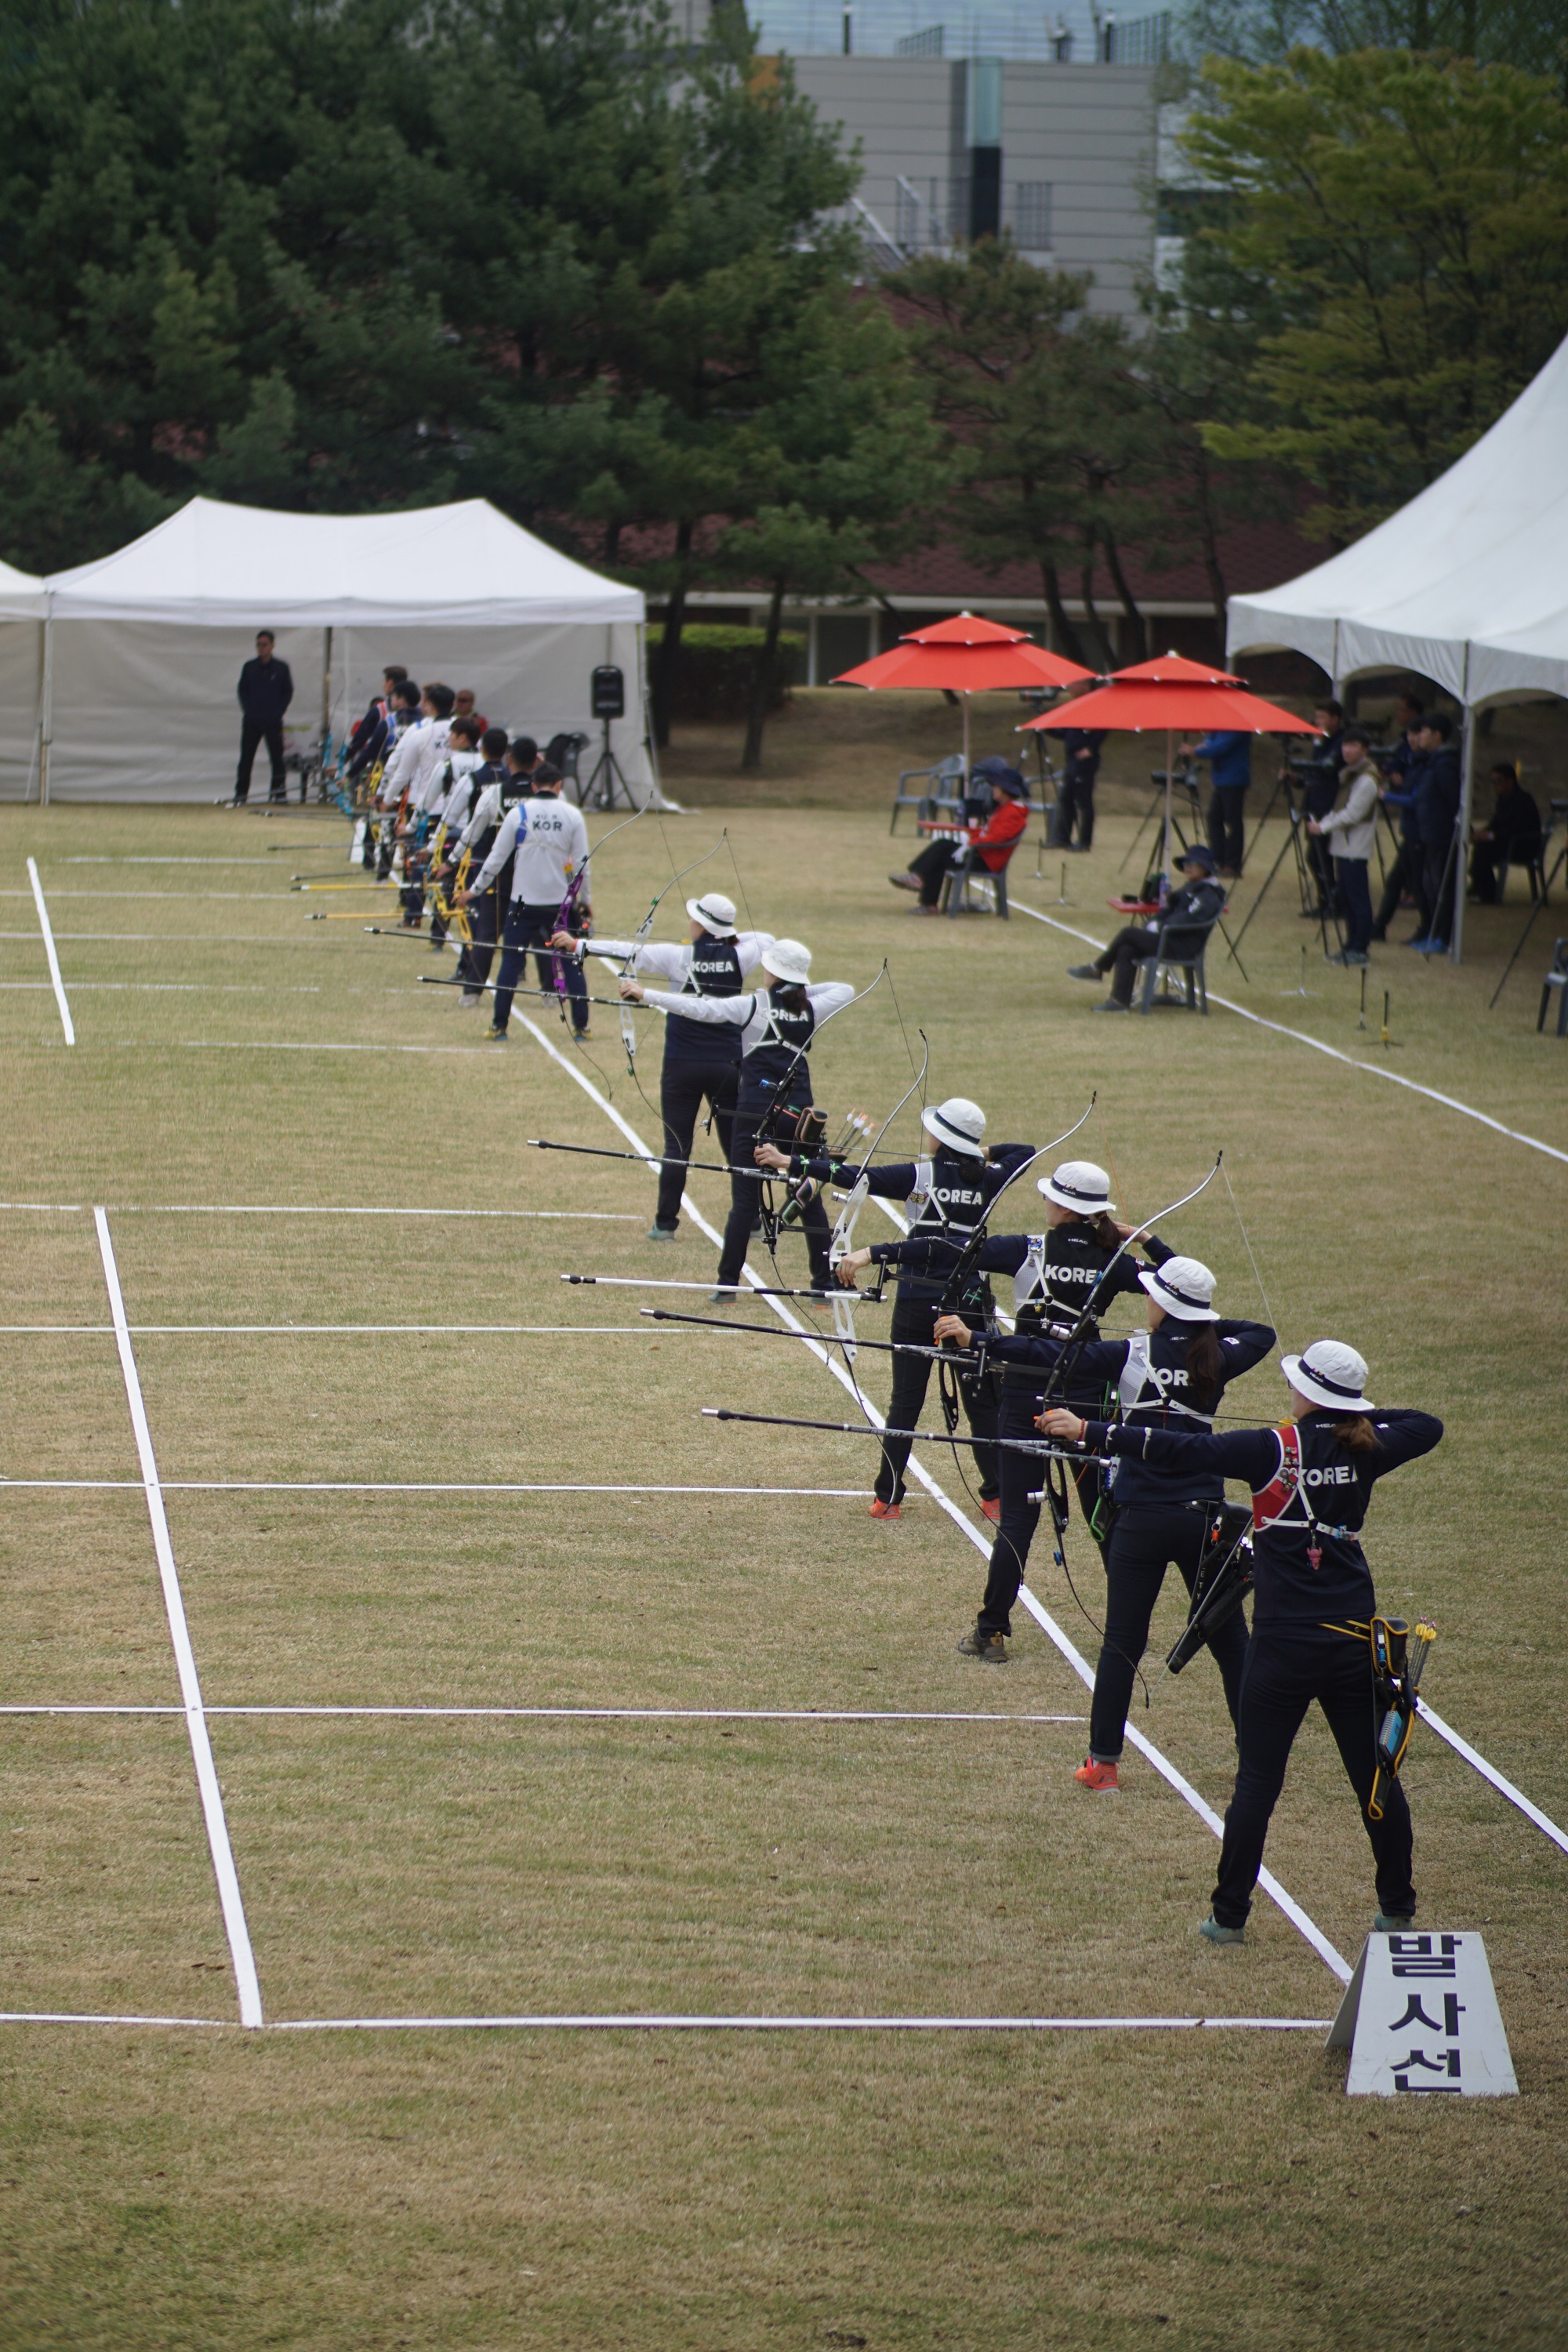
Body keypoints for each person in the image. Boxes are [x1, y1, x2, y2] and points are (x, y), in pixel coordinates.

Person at [1042, 1339, 1443, 1940]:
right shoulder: (1367, 1446)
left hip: (1282, 1646)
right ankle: (1398, 1907)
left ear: (1309, 1392)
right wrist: (1354, 1417)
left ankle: (1229, 1916)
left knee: (1256, 1783)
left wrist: (1089, 1431)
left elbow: (1181, 1448)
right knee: (1374, 1775)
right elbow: (1427, 1425)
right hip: (1350, 1641)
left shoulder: (1270, 1448)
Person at [867, 1158, 1171, 1628]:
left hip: (1026, 1394)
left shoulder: (1028, 1250)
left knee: (1017, 1520)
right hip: (1086, 1395)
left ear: (1064, 1208)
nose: (1044, 1201)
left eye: (1050, 1196)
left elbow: (944, 1249)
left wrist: (873, 1253)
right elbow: (1179, 1284)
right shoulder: (1115, 1261)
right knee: (1102, 1509)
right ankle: (1128, 1628)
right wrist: (1145, 1238)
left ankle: (991, 1629)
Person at [1014, 1255, 1274, 1784]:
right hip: (1204, 1519)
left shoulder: (1131, 1352)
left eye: (1156, 1296)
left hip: (1140, 1521)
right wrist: (1198, 1326)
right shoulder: (1218, 1356)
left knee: (1122, 1643)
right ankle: (1258, 1758)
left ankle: (1103, 1764)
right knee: (1231, 1643)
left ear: (1166, 1305)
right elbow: (1261, 1334)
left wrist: (976, 1342)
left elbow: (1046, 1353)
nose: (1148, 1301)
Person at [784, 1097, 1036, 1521]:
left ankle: (888, 1498)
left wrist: (790, 1162)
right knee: (981, 1401)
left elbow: (851, 1175)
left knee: (904, 1404)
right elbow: (1025, 1152)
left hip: (917, 1300)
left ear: (944, 1137)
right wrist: (976, 1154)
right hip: (968, 1303)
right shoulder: (988, 1177)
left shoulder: (919, 1175)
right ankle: (996, 1496)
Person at [624, 942, 852, 1301]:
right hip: (798, 1114)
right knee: (808, 1196)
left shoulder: (753, 1005)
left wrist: (646, 994)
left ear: (773, 971)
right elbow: (845, 989)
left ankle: (727, 1286)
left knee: (745, 1201)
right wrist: (797, 991)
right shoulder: (810, 1007)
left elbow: (698, 1008)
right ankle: (822, 1285)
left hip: (754, 1115)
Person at [556, 894, 773, 1243]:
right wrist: (726, 939)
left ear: (701, 924)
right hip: (728, 1065)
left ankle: (665, 1224)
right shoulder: (741, 955)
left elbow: (629, 952)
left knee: (677, 1146)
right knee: (737, 1145)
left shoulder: (678, 956)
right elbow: (766, 939)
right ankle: (751, 1219)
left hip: (681, 1065)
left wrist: (579, 944)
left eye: (694, 919)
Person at [459, 764, 591, 1042]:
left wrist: (473, 891)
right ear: (559, 786)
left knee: (510, 963)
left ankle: (499, 1026)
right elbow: (582, 865)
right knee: (571, 962)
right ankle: (581, 1027)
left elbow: (496, 859)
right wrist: (585, 901)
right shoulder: (573, 815)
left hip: (522, 905)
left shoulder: (518, 814)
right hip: (560, 906)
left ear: (533, 786)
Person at [1065, 844, 1227, 1011]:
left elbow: (1189, 919)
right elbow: (1168, 909)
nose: (1187, 867)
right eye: (1186, 863)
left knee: (1128, 933)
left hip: (1182, 946)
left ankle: (1097, 969)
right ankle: (1119, 1002)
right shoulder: (1191, 886)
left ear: (1205, 868)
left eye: (1192, 863)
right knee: (1126, 949)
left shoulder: (1210, 894)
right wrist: (1153, 922)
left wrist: (1161, 926)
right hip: (1169, 938)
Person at [448, 736, 538, 1003]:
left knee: (487, 934)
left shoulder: (494, 794)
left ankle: (471, 993)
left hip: (499, 877)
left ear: (510, 760)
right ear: (536, 762)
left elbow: (471, 835)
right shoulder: (547, 797)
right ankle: (551, 994)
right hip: (535, 877)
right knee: (542, 934)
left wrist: (450, 861)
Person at [890, 766, 1029, 910]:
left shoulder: (1012, 812)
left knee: (941, 850)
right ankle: (922, 890)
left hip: (986, 860)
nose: (993, 788)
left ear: (1005, 790)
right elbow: (990, 833)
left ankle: (921, 886)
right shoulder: (1005, 809)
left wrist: (971, 843)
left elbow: (997, 838)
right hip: (982, 854)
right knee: (942, 846)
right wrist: (972, 833)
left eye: (997, 786)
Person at [1309, 726, 1380, 965]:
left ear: (1365, 750)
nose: (1347, 750)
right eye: (1345, 745)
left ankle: (1361, 947)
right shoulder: (1350, 775)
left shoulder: (1366, 780)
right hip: (1343, 846)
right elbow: (1339, 810)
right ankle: (1350, 944)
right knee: (1347, 900)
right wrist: (1322, 823)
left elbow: (1352, 814)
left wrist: (1323, 828)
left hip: (1355, 848)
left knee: (1358, 900)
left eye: (1354, 746)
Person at [1408, 714, 1462, 953]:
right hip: (1429, 834)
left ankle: (1444, 936)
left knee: (1442, 887)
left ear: (1437, 735)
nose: (1419, 737)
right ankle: (1434, 933)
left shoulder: (1445, 764)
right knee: (1430, 886)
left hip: (1441, 836)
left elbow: (1453, 799)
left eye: (1424, 732)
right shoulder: (1432, 762)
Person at [1370, 716, 1426, 942]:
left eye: (1417, 734)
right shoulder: (1411, 759)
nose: (1412, 739)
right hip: (1411, 831)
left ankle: (1427, 928)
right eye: (1409, 734)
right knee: (1396, 881)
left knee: (1418, 884)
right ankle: (1379, 926)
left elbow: (1416, 800)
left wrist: (1386, 795)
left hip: (1420, 832)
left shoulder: (1426, 764)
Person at [1181, 729, 1251, 877]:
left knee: (1233, 822)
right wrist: (1203, 745)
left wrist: (1196, 752)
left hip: (1234, 779)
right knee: (1214, 819)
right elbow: (1211, 739)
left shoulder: (1238, 728)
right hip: (1221, 780)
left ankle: (1232, 865)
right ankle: (1218, 859)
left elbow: (1220, 747)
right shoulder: (1222, 725)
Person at [1468, 763, 1542, 903]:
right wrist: (1481, 834)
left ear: (1510, 781)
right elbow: (1496, 823)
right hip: (1508, 842)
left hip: (1523, 846)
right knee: (1481, 847)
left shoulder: (1523, 801)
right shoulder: (1503, 800)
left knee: (1483, 850)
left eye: (1498, 781)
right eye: (1493, 782)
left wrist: (1490, 836)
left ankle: (1488, 893)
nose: (1495, 786)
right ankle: (1480, 886)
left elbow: (1517, 829)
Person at [234, 630, 293, 804]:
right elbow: (242, 690)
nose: (261, 648)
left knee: (277, 759)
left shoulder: (281, 668)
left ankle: (279, 794)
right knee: (246, 759)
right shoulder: (250, 667)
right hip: (252, 721)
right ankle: (241, 794)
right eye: (258, 645)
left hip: (273, 721)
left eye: (264, 645)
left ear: (272, 646)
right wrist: (249, 710)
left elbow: (287, 691)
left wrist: (278, 711)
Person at [1047, 728, 1107, 850]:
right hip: (1071, 761)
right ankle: (1063, 838)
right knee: (1066, 800)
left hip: (1084, 763)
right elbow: (1064, 734)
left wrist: (1091, 748)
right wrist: (1046, 728)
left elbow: (1103, 729)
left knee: (1084, 803)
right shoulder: (1073, 726)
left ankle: (1085, 842)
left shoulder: (1092, 720)